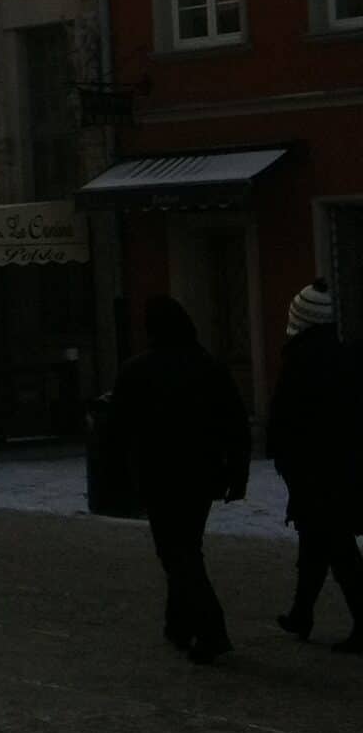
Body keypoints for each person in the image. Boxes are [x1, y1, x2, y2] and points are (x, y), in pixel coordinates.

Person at [107, 295, 249, 663]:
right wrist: (238, 472)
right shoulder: (209, 366)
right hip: (202, 474)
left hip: (159, 475)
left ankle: (211, 629)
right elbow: (236, 423)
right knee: (187, 545)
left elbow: (117, 427)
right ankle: (179, 623)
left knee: (176, 552)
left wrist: (122, 473)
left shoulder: (138, 370)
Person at [267, 279, 363, 651]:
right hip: (340, 467)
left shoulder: (301, 362)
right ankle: (300, 613)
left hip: (316, 472)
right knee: (316, 543)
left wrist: (286, 457)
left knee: (335, 547)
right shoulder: (342, 357)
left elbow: (286, 421)